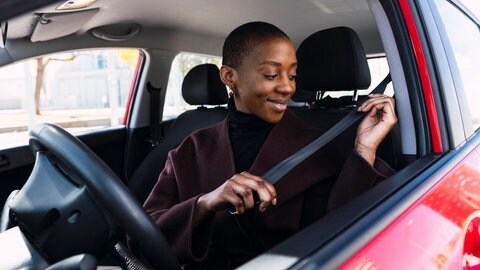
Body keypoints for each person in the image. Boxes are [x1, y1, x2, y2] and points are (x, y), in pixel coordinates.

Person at [143, 21, 397, 269]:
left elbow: (347, 229)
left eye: (293, 75)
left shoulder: (319, 148)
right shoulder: (190, 149)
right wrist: (206, 203)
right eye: (271, 75)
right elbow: (145, 235)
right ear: (229, 77)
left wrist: (365, 149)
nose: (288, 87)